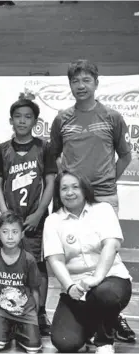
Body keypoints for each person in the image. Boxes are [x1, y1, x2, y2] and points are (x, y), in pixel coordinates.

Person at [49, 59, 134, 341]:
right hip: (71, 197)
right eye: (75, 81)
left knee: (107, 256)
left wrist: (106, 180)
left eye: (86, 80)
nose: (81, 85)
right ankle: (81, 309)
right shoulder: (62, 119)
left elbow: (125, 156)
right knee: (73, 252)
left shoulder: (112, 117)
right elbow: (55, 155)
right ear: (70, 85)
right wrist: (69, 184)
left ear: (96, 83)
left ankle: (111, 313)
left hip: (104, 195)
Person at [44, 170, 133, 353]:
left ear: (85, 189)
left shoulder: (103, 210)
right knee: (65, 342)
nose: (70, 192)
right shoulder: (53, 221)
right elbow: (56, 260)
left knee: (103, 294)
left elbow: (111, 245)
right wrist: (69, 287)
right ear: (58, 193)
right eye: (64, 188)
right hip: (77, 288)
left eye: (75, 187)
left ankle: (104, 341)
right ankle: (101, 321)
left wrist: (96, 278)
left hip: (111, 279)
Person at [0, 94, 56, 336]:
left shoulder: (44, 148)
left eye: (27, 117)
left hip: (35, 219)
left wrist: (40, 212)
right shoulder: (3, 150)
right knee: (10, 264)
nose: (22, 121)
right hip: (12, 220)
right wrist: (5, 212)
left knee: (38, 266)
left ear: (35, 122)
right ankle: (12, 310)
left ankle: (40, 313)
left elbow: (50, 182)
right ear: (11, 121)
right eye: (18, 117)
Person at [0, 211, 42, 353]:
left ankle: (19, 330)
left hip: (25, 312)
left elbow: (35, 291)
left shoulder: (29, 260)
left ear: (22, 234)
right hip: (2, 311)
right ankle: (8, 331)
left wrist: (34, 318)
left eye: (15, 232)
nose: (10, 237)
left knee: (33, 349)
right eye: (5, 232)